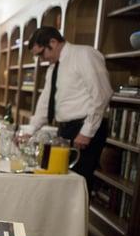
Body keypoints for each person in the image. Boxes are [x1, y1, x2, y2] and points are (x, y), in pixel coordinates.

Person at [27, 26, 112, 191]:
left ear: (53, 42)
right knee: (61, 182)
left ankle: (77, 217)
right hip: (66, 130)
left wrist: (86, 131)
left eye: (41, 53)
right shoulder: (53, 68)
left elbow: (102, 94)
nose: (41, 59)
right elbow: (45, 103)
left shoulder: (84, 55)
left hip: (85, 129)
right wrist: (30, 130)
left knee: (79, 183)